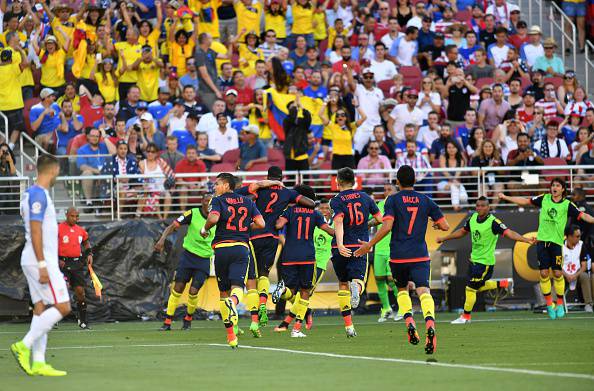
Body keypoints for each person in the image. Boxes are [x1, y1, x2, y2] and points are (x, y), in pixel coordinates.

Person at [355, 165, 449, 355]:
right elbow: (445, 225)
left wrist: (369, 244)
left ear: (397, 182)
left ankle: (409, 322)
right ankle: (430, 324)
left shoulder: (393, 200)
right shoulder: (426, 200)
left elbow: (387, 226)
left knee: (402, 290)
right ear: (415, 180)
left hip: (398, 256)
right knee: (424, 291)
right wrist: (437, 226)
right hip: (420, 255)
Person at [235, 166, 315, 336]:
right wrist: (292, 203)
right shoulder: (288, 193)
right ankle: (264, 303)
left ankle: (255, 316)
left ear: (268, 176)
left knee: (252, 278)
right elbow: (311, 203)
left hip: (254, 234)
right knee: (264, 273)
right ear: (282, 177)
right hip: (272, 236)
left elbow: (239, 194)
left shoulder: (260, 189)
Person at [498, 178, 594, 319]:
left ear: (562, 189)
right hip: (542, 242)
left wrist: (593, 219)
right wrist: (506, 197)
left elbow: (582, 215)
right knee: (543, 273)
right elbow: (525, 201)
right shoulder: (544, 198)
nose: (554, 188)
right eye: (553, 185)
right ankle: (550, 304)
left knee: (557, 273)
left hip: (556, 243)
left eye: (557, 185)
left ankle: (560, 303)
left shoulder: (567, 204)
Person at [11, 154, 71, 377]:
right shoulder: (38, 194)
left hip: (33, 259)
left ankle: (38, 362)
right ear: (53, 169)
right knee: (63, 306)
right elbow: (35, 231)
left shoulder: (29, 193)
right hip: (40, 260)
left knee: (41, 309)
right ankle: (23, 345)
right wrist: (43, 264)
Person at [437, 197, 534, 324]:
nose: (480, 208)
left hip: (485, 264)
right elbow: (462, 232)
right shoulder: (472, 218)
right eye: (478, 205)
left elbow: (509, 233)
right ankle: (502, 284)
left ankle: (465, 317)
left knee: (470, 289)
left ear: (488, 208)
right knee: (477, 287)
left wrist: (525, 240)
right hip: (473, 261)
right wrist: (445, 238)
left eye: (483, 206)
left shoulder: (494, 222)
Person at [200, 173, 265, 348]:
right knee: (238, 287)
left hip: (221, 249)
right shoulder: (248, 202)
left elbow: (213, 218)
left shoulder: (218, 200)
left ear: (227, 185)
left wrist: (204, 229)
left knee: (224, 292)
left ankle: (231, 336)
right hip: (240, 248)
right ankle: (234, 304)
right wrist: (245, 226)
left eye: (218, 184)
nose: (215, 187)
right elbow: (261, 223)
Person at [273, 185, 335, 338]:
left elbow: (278, 225)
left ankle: (282, 290)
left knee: (291, 292)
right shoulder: (315, 214)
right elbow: (328, 230)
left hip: (289, 256)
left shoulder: (289, 211)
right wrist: (343, 236)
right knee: (305, 292)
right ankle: (296, 329)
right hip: (307, 257)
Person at [330, 167, 382, 338]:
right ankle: (357, 289)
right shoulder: (366, 197)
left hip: (340, 248)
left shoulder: (336, 200)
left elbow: (338, 222)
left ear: (338, 181)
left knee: (342, 284)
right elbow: (380, 219)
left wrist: (339, 244)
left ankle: (349, 326)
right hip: (360, 245)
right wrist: (367, 225)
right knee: (358, 280)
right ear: (354, 181)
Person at [154, 193, 215, 331]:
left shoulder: (217, 217)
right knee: (178, 288)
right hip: (188, 257)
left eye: (211, 201)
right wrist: (162, 239)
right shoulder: (192, 213)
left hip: (204, 259)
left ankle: (188, 320)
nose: (208, 203)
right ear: (202, 202)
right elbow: (173, 225)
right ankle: (167, 322)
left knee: (194, 291)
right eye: (206, 201)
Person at [57, 208, 93, 329]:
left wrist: (89, 254)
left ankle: (82, 321)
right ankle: (53, 317)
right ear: (66, 215)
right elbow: (50, 243)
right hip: (63, 264)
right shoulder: (58, 228)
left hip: (76, 264)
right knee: (63, 288)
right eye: (72, 216)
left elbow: (86, 242)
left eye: (77, 216)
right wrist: (57, 258)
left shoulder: (81, 230)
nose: (75, 218)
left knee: (80, 292)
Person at [76, 128, 109, 211]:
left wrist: (105, 138)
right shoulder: (82, 150)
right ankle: (89, 202)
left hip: (105, 173)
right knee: (87, 173)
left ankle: (106, 202)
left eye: (97, 136)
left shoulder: (104, 146)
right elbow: (82, 166)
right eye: (93, 136)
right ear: (88, 137)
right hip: (93, 174)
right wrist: (97, 172)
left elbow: (115, 152)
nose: (95, 138)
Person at [562, 225, 592, 313]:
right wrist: (567, 275)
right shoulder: (560, 246)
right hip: (564, 275)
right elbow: (557, 265)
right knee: (557, 276)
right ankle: (555, 303)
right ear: (569, 237)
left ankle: (588, 304)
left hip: (577, 275)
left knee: (585, 276)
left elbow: (584, 265)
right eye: (577, 236)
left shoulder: (581, 245)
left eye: (580, 236)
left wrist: (575, 275)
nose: (579, 238)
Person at [283, 96, 312, 173]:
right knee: (290, 182)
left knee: (305, 181)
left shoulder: (302, 122)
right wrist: (295, 104)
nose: (295, 108)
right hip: (290, 157)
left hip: (302, 156)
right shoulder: (286, 121)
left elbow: (308, 117)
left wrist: (301, 106)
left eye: (296, 107)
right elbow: (292, 116)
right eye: (292, 107)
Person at [174, 145, 207, 211]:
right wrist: (189, 184)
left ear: (196, 154)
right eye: (189, 153)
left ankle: (205, 212)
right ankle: (183, 214)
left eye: (193, 153)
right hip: (185, 186)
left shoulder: (201, 164)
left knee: (205, 189)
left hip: (197, 187)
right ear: (186, 154)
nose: (191, 155)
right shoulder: (180, 164)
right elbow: (179, 180)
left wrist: (199, 185)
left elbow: (204, 179)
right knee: (183, 189)